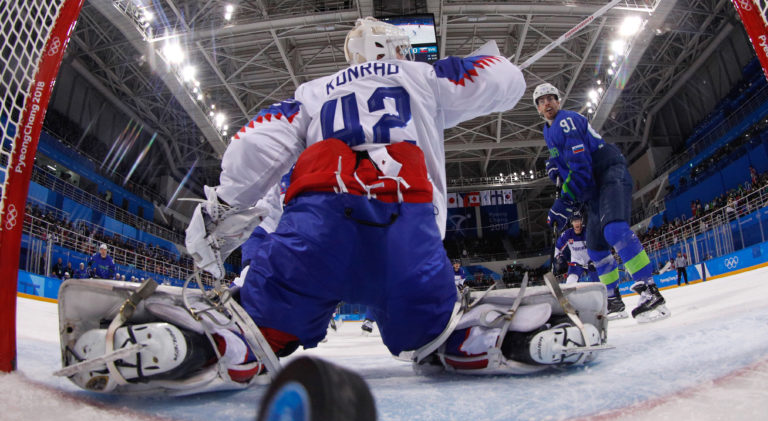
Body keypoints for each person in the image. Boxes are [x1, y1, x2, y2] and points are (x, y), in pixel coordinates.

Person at [182, 18, 607, 375]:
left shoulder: (311, 93)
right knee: (425, 330)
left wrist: (218, 209)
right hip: (404, 231)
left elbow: (252, 147)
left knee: (268, 323)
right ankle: (480, 338)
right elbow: (504, 81)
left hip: (316, 231)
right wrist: (491, 59)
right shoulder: (424, 75)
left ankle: (226, 345)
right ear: (387, 49)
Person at [534, 82, 669, 322]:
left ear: (558, 101)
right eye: (541, 100)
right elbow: (569, 163)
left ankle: (650, 292)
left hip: (607, 174)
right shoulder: (548, 131)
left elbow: (582, 167)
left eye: (550, 98)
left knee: (615, 229)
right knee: (595, 247)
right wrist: (557, 167)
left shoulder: (567, 120)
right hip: (593, 190)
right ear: (537, 108)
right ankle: (614, 300)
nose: (546, 103)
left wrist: (564, 201)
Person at [553, 214, 600, 284]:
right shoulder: (567, 234)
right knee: (570, 281)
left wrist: (595, 260)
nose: (577, 223)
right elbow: (557, 248)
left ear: (582, 222)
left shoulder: (588, 232)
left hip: (591, 262)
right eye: (575, 221)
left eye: (578, 221)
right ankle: (569, 294)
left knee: (599, 281)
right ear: (571, 223)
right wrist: (559, 258)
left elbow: (598, 246)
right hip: (576, 262)